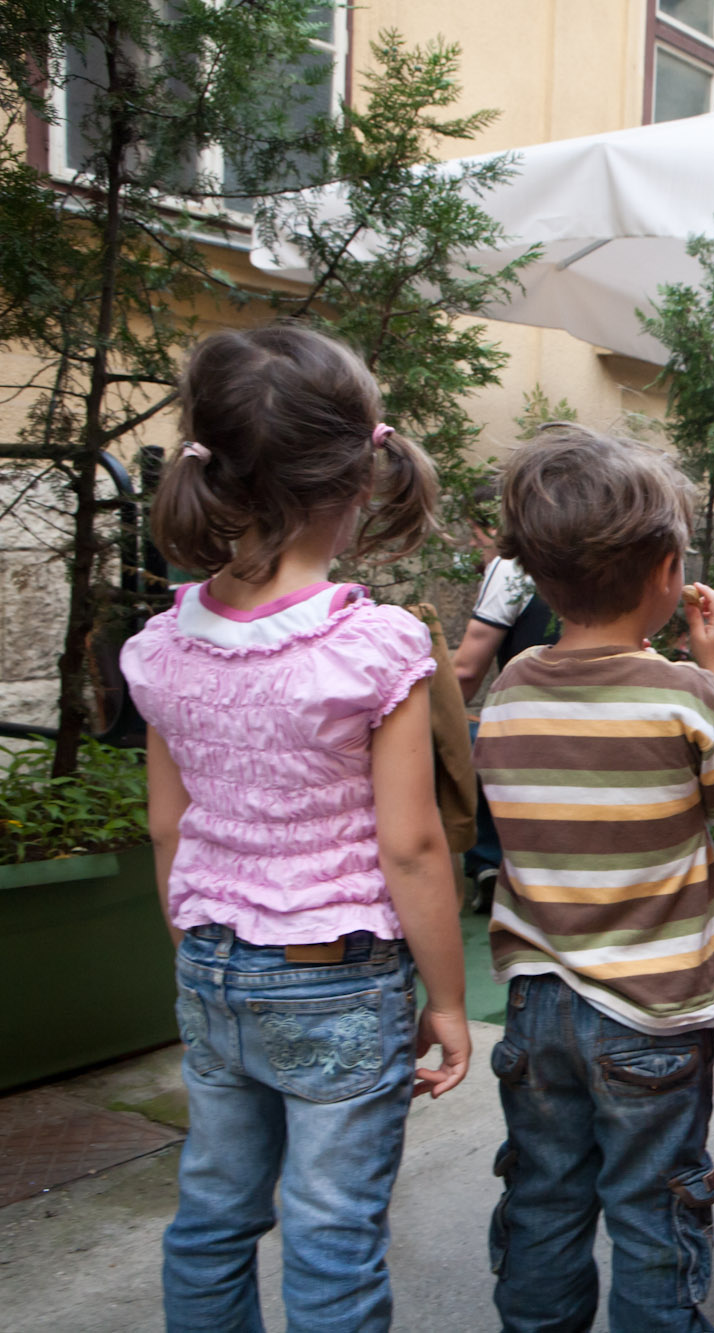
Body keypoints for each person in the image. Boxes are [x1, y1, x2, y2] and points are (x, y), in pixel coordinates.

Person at [119, 325, 471, 1333]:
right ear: (361, 477)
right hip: (334, 975)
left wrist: (200, 946)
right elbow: (410, 846)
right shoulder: (372, 647)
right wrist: (449, 999)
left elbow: (167, 826)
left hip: (211, 961)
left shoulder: (162, 646)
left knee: (212, 1216)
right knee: (331, 1232)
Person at [473, 424, 714, 1333]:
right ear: (669, 572)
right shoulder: (681, 692)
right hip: (654, 1011)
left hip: (537, 1004)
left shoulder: (512, 685)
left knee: (544, 1190)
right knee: (652, 1201)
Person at [453, 501, 560, 910]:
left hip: (530, 728)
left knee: (469, 737)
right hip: (598, 723)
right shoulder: (600, 558)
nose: (472, 545)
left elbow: (466, 671)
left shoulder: (512, 567)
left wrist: (435, 722)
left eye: (475, 534)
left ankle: (487, 861)